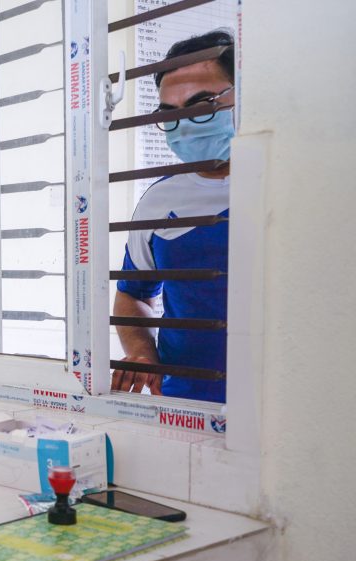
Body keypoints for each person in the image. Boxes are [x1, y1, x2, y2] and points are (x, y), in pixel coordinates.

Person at [112, 30, 235, 403]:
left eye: (201, 105)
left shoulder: (296, 189)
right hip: (184, 402)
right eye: (171, 114)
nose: (184, 125)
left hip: (285, 406)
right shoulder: (158, 201)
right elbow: (132, 295)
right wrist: (142, 351)